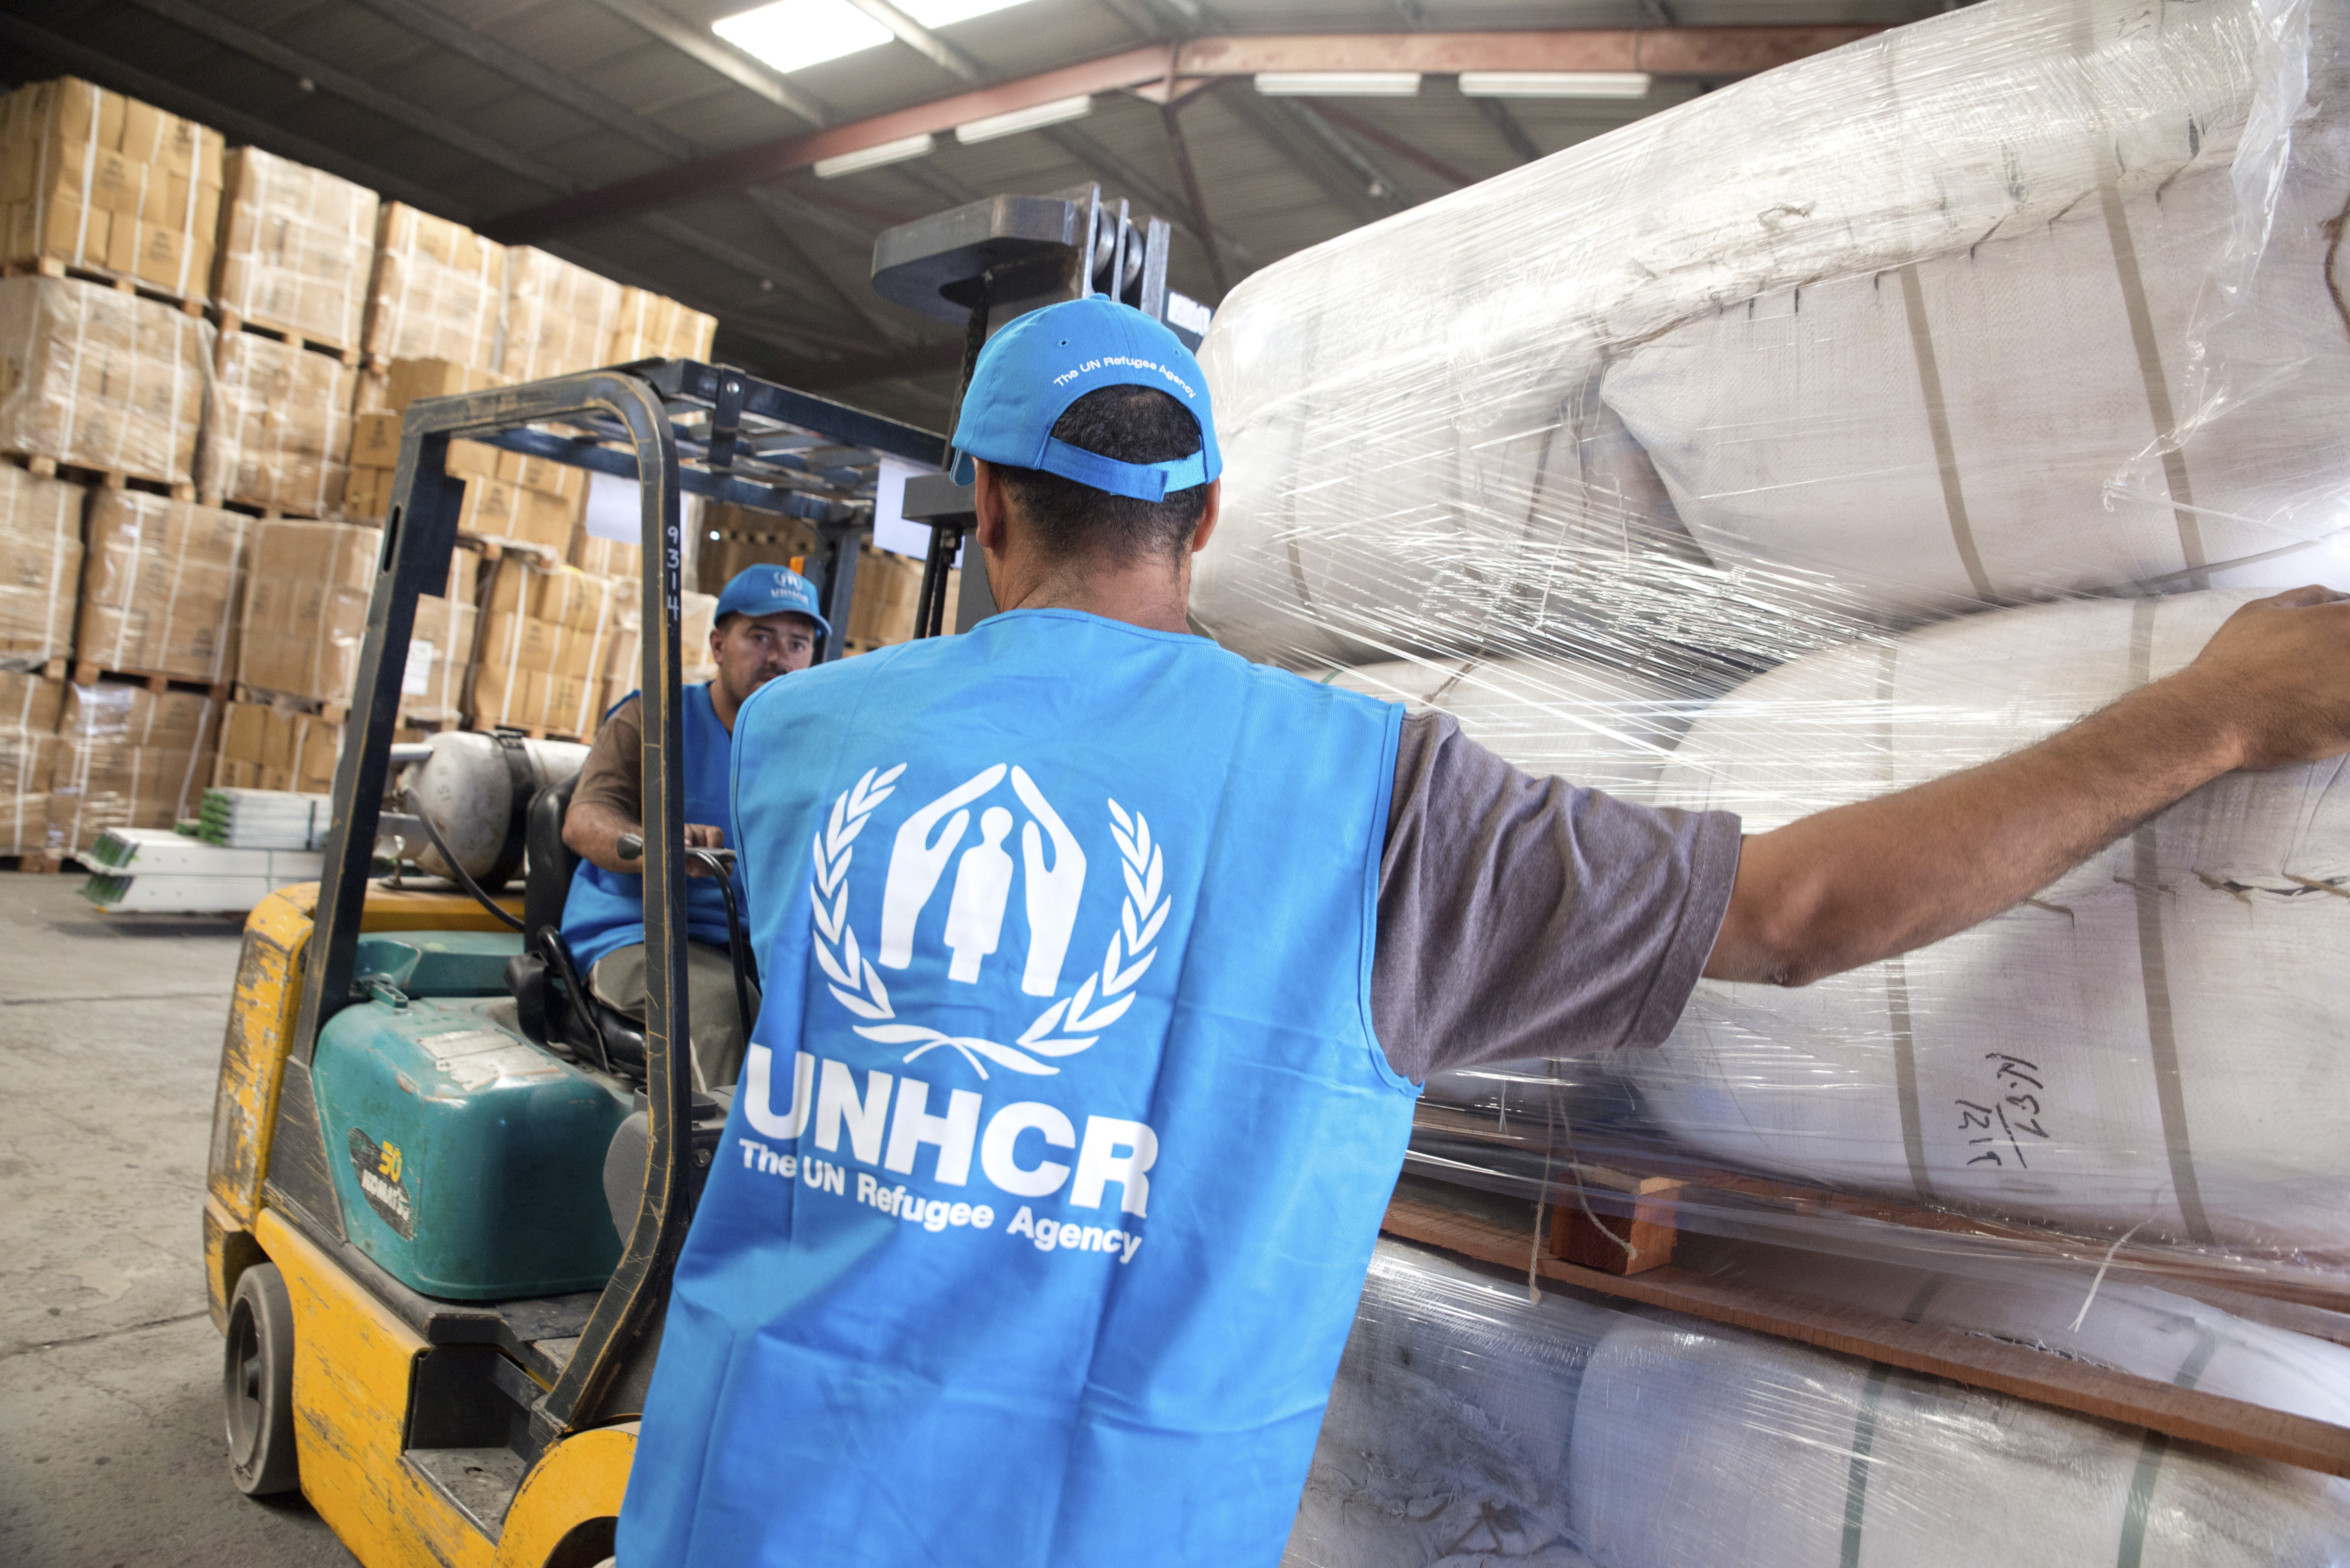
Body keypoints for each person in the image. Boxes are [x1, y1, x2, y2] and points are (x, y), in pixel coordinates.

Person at [617, 296, 2350, 1566]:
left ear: (983, 506)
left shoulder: (799, 738)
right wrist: (2211, 721)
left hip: (748, 1503)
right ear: (1212, 524)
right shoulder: (1377, 799)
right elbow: (1799, 916)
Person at [558, 563, 826, 1090]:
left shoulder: (809, 750)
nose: (779, 658)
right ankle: (717, 1173)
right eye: (760, 637)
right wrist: (655, 848)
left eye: (798, 644)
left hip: (753, 940)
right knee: (731, 1015)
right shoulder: (653, 720)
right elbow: (584, 820)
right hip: (640, 935)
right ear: (719, 644)